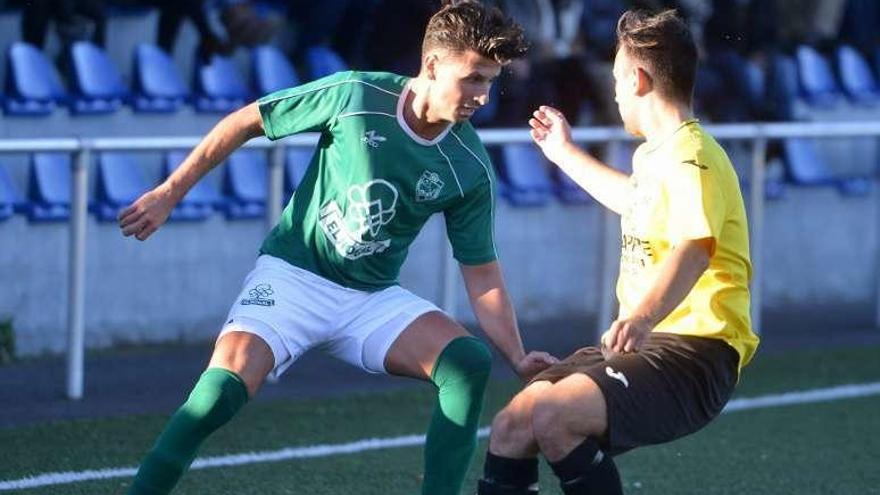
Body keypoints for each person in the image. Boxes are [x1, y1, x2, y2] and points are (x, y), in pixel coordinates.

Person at [118, 1, 557, 494]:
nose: (482, 95)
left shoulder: (469, 163)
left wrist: (516, 356)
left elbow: (482, 274)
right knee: (218, 394)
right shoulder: (355, 93)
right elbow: (246, 120)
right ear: (432, 65)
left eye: (490, 81)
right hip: (292, 278)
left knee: (468, 362)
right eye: (473, 78)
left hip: (371, 300)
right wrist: (168, 193)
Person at [477, 9, 760, 495]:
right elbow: (633, 202)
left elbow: (695, 246)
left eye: (615, 78)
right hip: (648, 344)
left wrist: (644, 318)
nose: (612, 90)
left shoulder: (693, 157)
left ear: (638, 78)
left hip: (695, 353)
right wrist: (564, 153)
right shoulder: (658, 153)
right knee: (513, 425)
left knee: (554, 416)